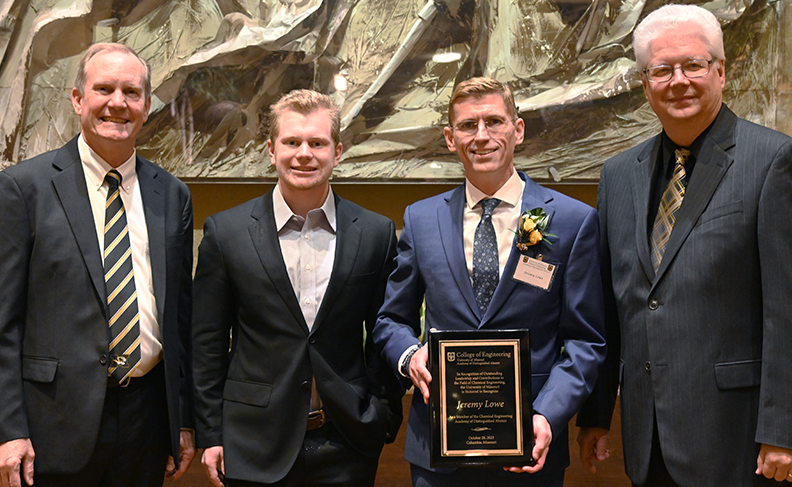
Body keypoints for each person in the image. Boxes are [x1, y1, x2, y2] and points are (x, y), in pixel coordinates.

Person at [576, 4, 792, 486]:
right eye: (661, 69)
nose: (678, 80)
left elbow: (789, 310)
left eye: (693, 65)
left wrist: (786, 430)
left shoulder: (773, 162)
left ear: (720, 71)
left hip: (738, 440)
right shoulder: (618, 176)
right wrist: (596, 413)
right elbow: (614, 305)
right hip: (648, 437)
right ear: (644, 82)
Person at [372, 77, 606, 487]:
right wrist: (411, 357)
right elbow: (391, 320)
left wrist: (548, 415)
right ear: (450, 137)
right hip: (438, 450)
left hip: (532, 443)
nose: (482, 136)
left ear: (517, 130)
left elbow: (585, 341)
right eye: (467, 125)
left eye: (494, 122)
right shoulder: (420, 220)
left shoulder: (571, 220)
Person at [0, 43, 195, 487]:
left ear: (146, 105)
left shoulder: (172, 195)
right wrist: (9, 430)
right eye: (103, 88)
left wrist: (183, 420)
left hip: (147, 423)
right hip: (52, 425)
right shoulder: (21, 189)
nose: (117, 103)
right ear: (77, 99)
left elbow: (180, 317)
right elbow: (2, 323)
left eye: (131, 92)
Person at [192, 89, 405, 487]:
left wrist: (382, 416)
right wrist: (211, 432)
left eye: (317, 143)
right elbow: (207, 344)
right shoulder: (227, 232)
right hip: (253, 442)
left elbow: (384, 333)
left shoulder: (375, 234)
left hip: (347, 443)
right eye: (291, 142)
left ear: (337, 152)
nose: (303, 153)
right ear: (271, 149)